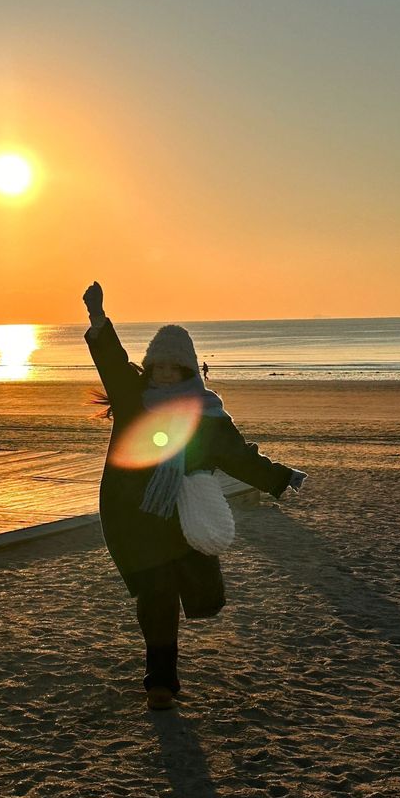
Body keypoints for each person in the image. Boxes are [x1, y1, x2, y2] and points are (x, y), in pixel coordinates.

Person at [82, 281, 307, 712]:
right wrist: (98, 319)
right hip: (137, 514)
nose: (165, 373)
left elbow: (237, 455)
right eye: (159, 366)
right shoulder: (135, 400)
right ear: (150, 367)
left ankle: (166, 667)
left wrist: (279, 478)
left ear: (189, 371)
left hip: (185, 513)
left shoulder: (206, 413)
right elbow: (112, 363)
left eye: (174, 368)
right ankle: (160, 684)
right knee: (157, 595)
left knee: (205, 593)